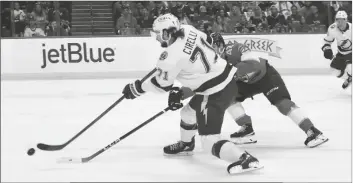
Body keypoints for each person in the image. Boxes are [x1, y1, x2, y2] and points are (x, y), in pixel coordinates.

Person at [121, 14, 263, 174]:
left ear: (167, 33)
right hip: (227, 79)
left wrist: (138, 88)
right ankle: (186, 144)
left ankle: (245, 159)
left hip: (214, 92)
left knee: (209, 141)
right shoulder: (188, 30)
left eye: (158, 34)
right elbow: (207, 43)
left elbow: (161, 86)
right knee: (188, 113)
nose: (157, 38)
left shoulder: (169, 58)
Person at [181, 32, 329, 148]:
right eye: (210, 49)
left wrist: (229, 71)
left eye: (215, 47)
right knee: (227, 98)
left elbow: (254, 65)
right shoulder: (211, 63)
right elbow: (203, 83)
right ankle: (247, 129)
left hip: (264, 76)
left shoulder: (235, 47)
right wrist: (180, 94)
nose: (213, 52)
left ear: (222, 45)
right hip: (242, 83)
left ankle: (313, 131)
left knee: (283, 103)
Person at [322, 11, 352, 89]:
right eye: (337, 20)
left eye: (342, 20)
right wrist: (326, 49)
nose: (339, 22)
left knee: (350, 68)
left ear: (346, 20)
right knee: (333, 70)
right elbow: (327, 41)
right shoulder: (332, 28)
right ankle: (349, 78)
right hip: (341, 53)